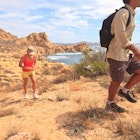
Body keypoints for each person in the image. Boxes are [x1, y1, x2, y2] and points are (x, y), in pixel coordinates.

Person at [106, 0, 140, 113]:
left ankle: (124, 91)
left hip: (126, 53)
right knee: (116, 80)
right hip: (117, 54)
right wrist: (136, 50)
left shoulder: (130, 13)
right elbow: (120, 34)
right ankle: (110, 104)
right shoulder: (123, 13)